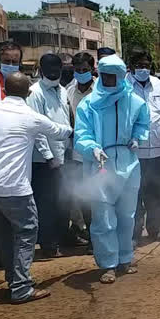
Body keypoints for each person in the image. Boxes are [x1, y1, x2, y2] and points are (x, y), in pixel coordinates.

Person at [0, 72, 73, 304]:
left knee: (4, 235)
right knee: (27, 233)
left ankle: (14, 279)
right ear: (29, 92)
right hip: (15, 188)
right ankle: (21, 288)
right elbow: (59, 133)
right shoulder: (29, 116)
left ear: (5, 90)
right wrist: (75, 127)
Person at [74, 55, 150, 284]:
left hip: (128, 163)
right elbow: (82, 133)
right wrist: (92, 148)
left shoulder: (135, 102)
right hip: (101, 166)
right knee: (104, 218)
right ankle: (108, 264)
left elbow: (143, 123)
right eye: (105, 76)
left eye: (113, 76)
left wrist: (138, 138)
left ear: (120, 76)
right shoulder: (88, 104)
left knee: (127, 216)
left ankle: (125, 259)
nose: (108, 81)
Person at [128, 49, 160, 242]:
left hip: (158, 150)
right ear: (131, 67)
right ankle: (134, 232)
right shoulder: (124, 87)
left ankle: (156, 229)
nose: (143, 69)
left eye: (147, 65)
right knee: (135, 193)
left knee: (156, 191)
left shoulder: (158, 85)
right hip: (134, 153)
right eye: (139, 65)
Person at [26, 53, 74, 257]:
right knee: (46, 202)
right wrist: (48, 156)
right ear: (41, 69)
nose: (54, 72)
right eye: (50, 69)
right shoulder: (35, 93)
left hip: (63, 153)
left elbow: (65, 120)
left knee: (63, 199)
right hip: (44, 159)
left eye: (58, 69)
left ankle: (63, 237)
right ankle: (48, 243)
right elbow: (35, 127)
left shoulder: (62, 90)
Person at [65, 52, 97, 241]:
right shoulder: (69, 92)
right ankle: (91, 235)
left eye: (85, 70)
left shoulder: (101, 90)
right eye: (77, 70)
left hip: (100, 153)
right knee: (84, 196)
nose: (81, 73)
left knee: (101, 195)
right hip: (78, 154)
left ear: (92, 69)